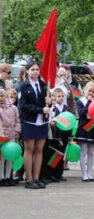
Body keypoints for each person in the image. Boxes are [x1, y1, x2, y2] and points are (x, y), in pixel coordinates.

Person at [18, 61, 51, 189]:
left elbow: (46, 105)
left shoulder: (43, 85)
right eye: (32, 69)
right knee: (29, 149)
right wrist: (40, 110)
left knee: (39, 149)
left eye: (37, 69)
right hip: (29, 121)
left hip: (42, 121)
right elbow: (23, 106)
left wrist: (49, 102)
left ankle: (37, 178)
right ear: (27, 71)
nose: (36, 72)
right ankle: (29, 178)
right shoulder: (23, 86)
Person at [75, 82, 94, 183]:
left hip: (93, 128)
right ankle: (84, 175)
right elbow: (82, 114)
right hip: (83, 129)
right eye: (89, 90)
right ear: (85, 90)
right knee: (83, 151)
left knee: (91, 152)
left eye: (93, 91)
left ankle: (90, 173)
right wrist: (88, 103)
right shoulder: (80, 101)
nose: (91, 93)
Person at [42, 88, 70, 183]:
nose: (61, 98)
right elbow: (50, 120)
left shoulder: (66, 108)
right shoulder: (52, 108)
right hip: (55, 135)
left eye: (62, 96)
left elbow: (69, 121)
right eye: (59, 96)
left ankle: (59, 174)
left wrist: (70, 135)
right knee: (54, 155)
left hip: (64, 135)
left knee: (61, 155)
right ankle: (51, 174)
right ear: (54, 97)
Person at [0, 88, 21, 186]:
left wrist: (17, 130)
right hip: (1, 137)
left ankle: (8, 177)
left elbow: (17, 120)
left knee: (10, 158)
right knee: (1, 158)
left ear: (5, 96)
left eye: (2, 96)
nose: (0, 98)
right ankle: (1, 177)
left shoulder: (13, 108)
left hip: (11, 135)